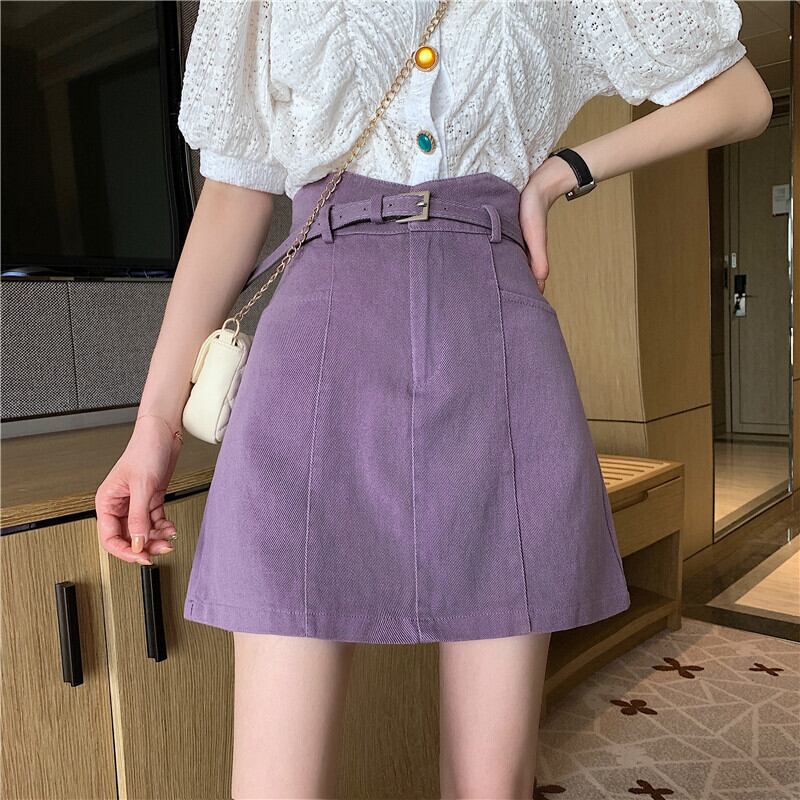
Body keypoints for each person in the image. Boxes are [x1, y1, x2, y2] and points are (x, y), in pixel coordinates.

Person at [94, 1, 771, 797]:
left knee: (491, 784)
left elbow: (739, 97)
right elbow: (235, 191)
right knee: (278, 785)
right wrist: (155, 424)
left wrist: (563, 171)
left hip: (495, 342)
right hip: (316, 352)